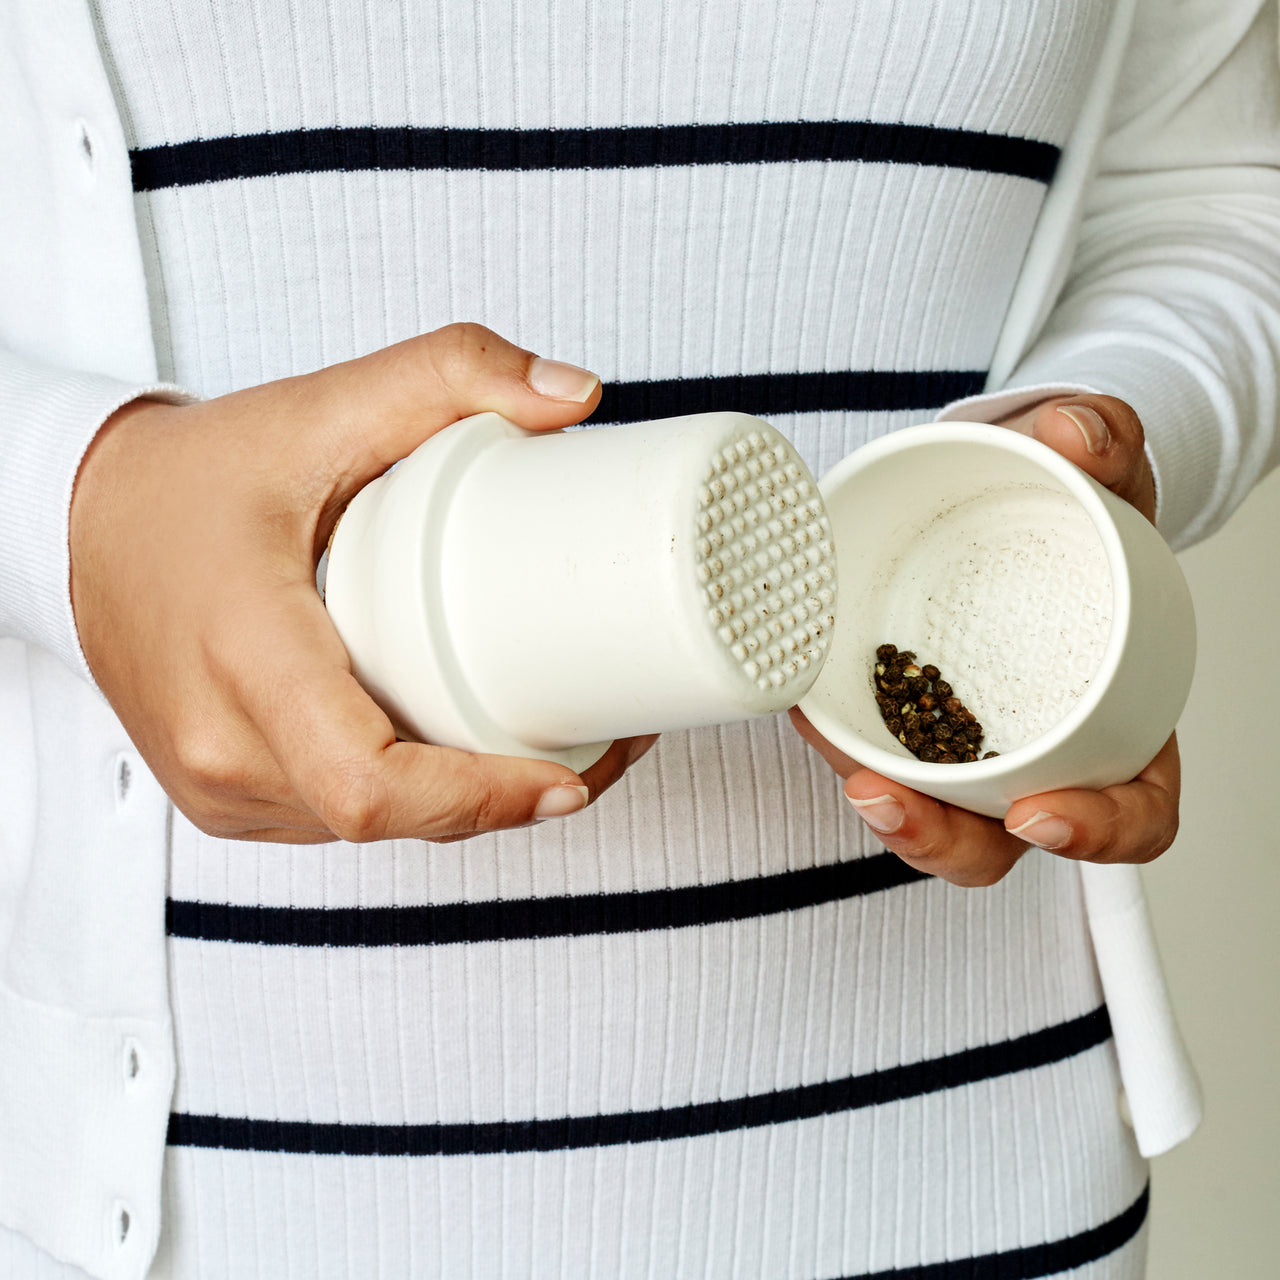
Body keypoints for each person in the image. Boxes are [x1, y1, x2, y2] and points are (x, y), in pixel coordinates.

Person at [1, 0, 1277, 1276]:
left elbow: (1207, 194)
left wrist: (1084, 451)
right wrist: (77, 500)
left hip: (966, 1149)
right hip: (219, 1175)